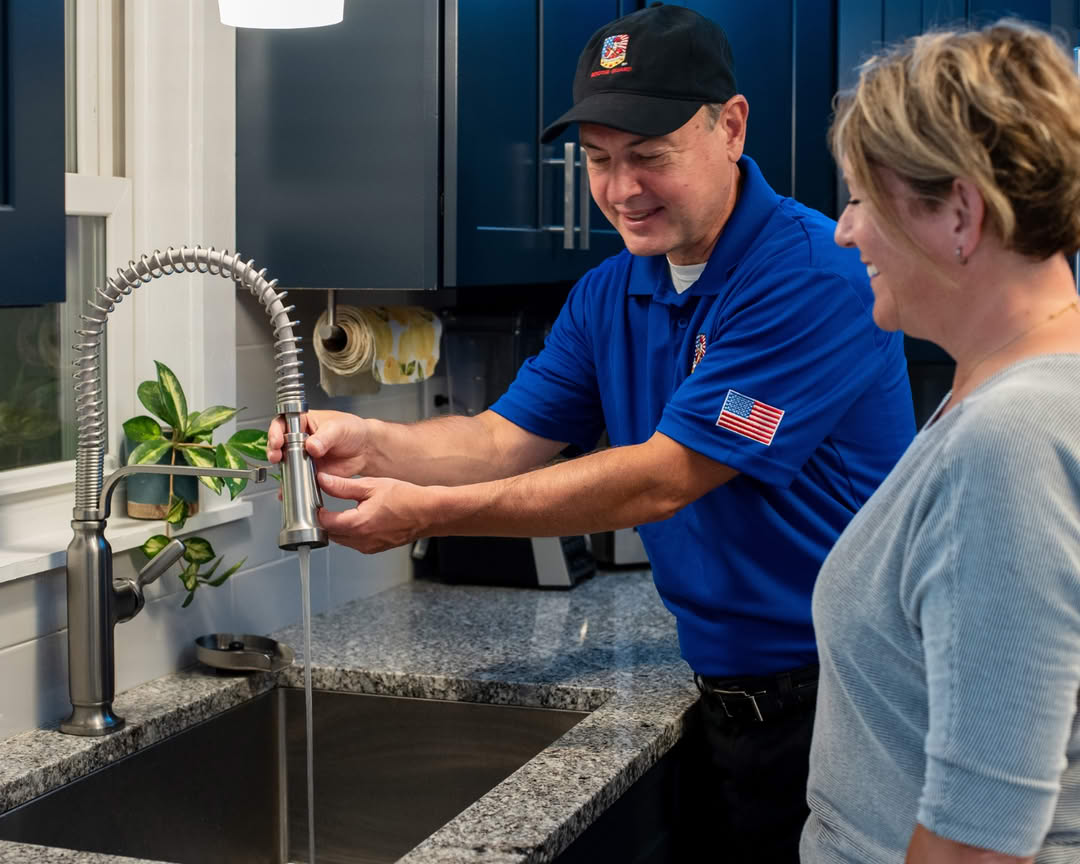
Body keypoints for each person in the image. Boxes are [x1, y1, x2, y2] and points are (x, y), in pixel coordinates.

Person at [270, 5, 914, 858]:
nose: (620, 190)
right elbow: (501, 440)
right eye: (598, 160)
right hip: (725, 698)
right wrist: (370, 442)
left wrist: (425, 513)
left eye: (649, 156)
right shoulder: (612, 290)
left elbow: (663, 478)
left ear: (730, 125)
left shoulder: (811, 273)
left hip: (846, 703)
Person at [804, 20, 1080, 864]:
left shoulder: (1008, 442)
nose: (844, 231)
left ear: (958, 213)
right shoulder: (1010, 391)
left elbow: (978, 845)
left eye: (859, 197)